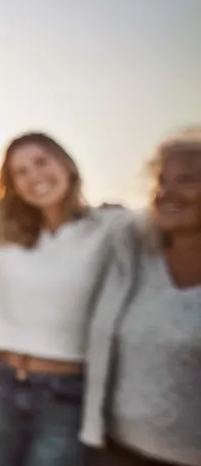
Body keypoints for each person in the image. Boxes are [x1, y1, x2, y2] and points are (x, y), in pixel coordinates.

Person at [0, 132, 128, 466]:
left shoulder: (108, 228)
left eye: (41, 162)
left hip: (65, 394)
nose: (34, 176)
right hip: (2, 387)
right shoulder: (3, 232)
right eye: (20, 172)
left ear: (66, 164)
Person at [82, 127, 201, 466]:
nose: (168, 192)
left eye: (187, 180)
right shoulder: (133, 254)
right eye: (162, 181)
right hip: (111, 451)